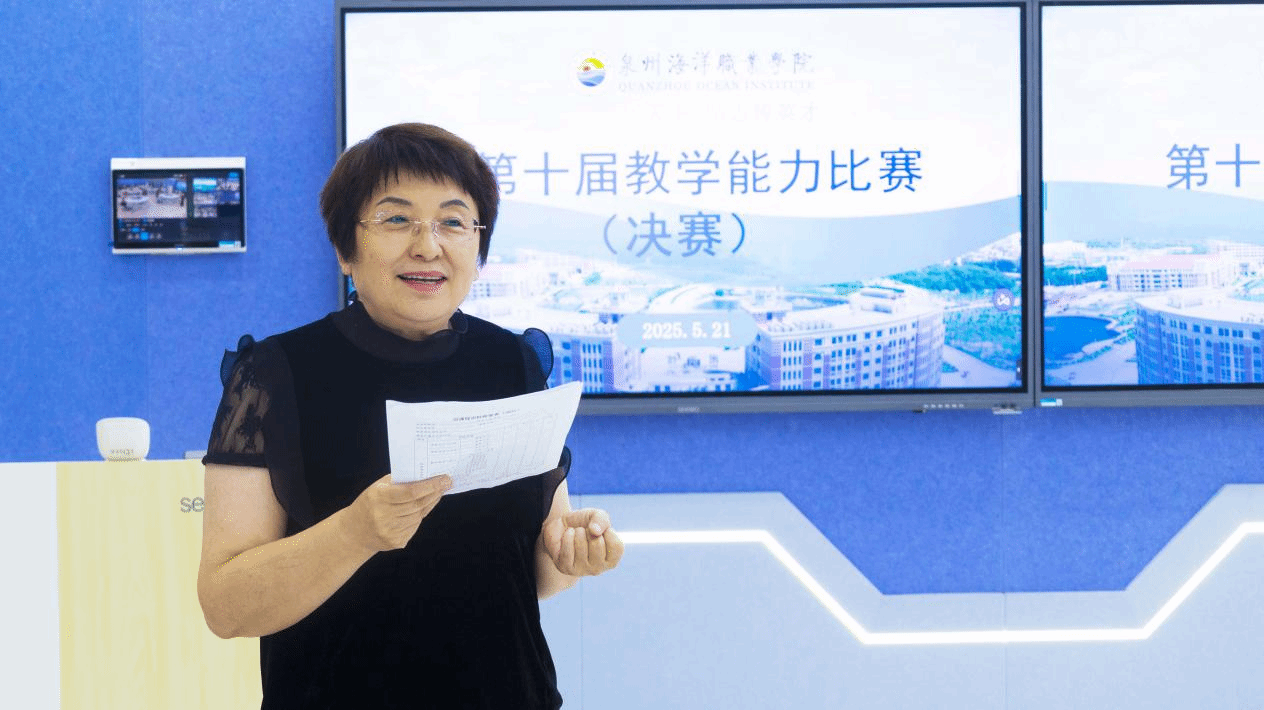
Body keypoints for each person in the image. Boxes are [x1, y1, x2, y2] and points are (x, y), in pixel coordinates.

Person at [197, 122, 622, 709]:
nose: (428, 245)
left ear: (479, 247)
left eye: (454, 221)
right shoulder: (275, 374)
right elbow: (225, 606)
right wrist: (353, 534)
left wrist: (568, 553)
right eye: (397, 219)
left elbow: (533, 573)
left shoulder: (512, 363)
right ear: (345, 250)